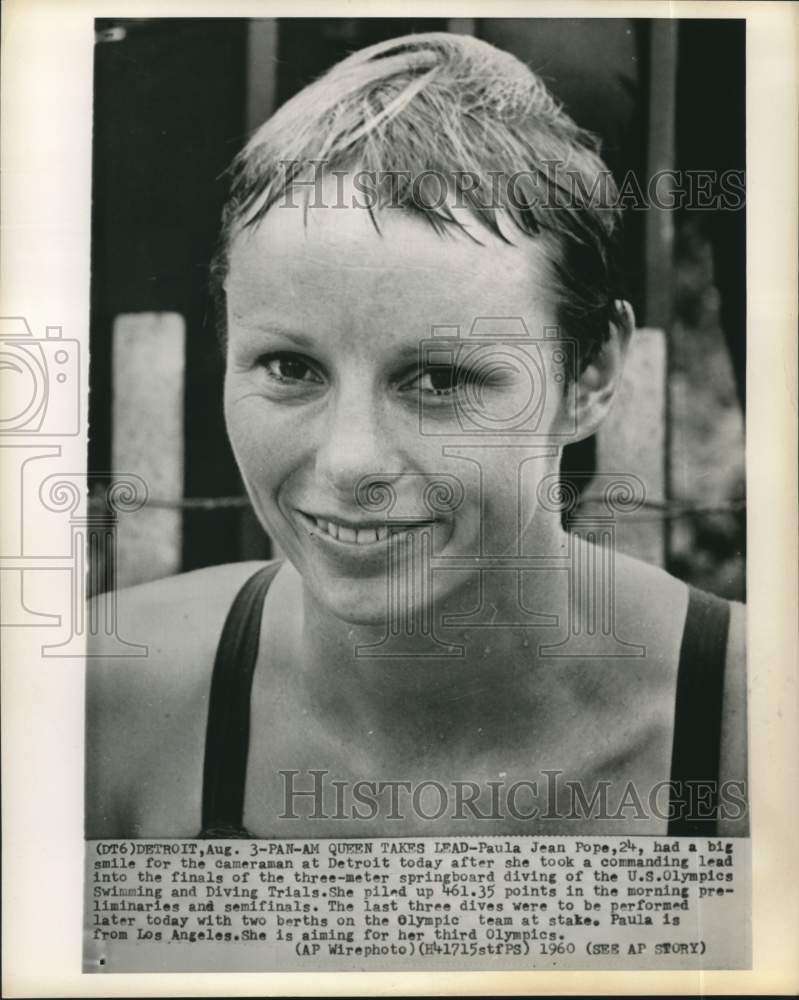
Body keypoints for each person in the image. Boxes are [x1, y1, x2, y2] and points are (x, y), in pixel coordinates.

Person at [86, 33, 746, 839]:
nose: (350, 460)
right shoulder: (99, 704)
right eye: (291, 367)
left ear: (591, 373)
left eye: (438, 380)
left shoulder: (756, 722)